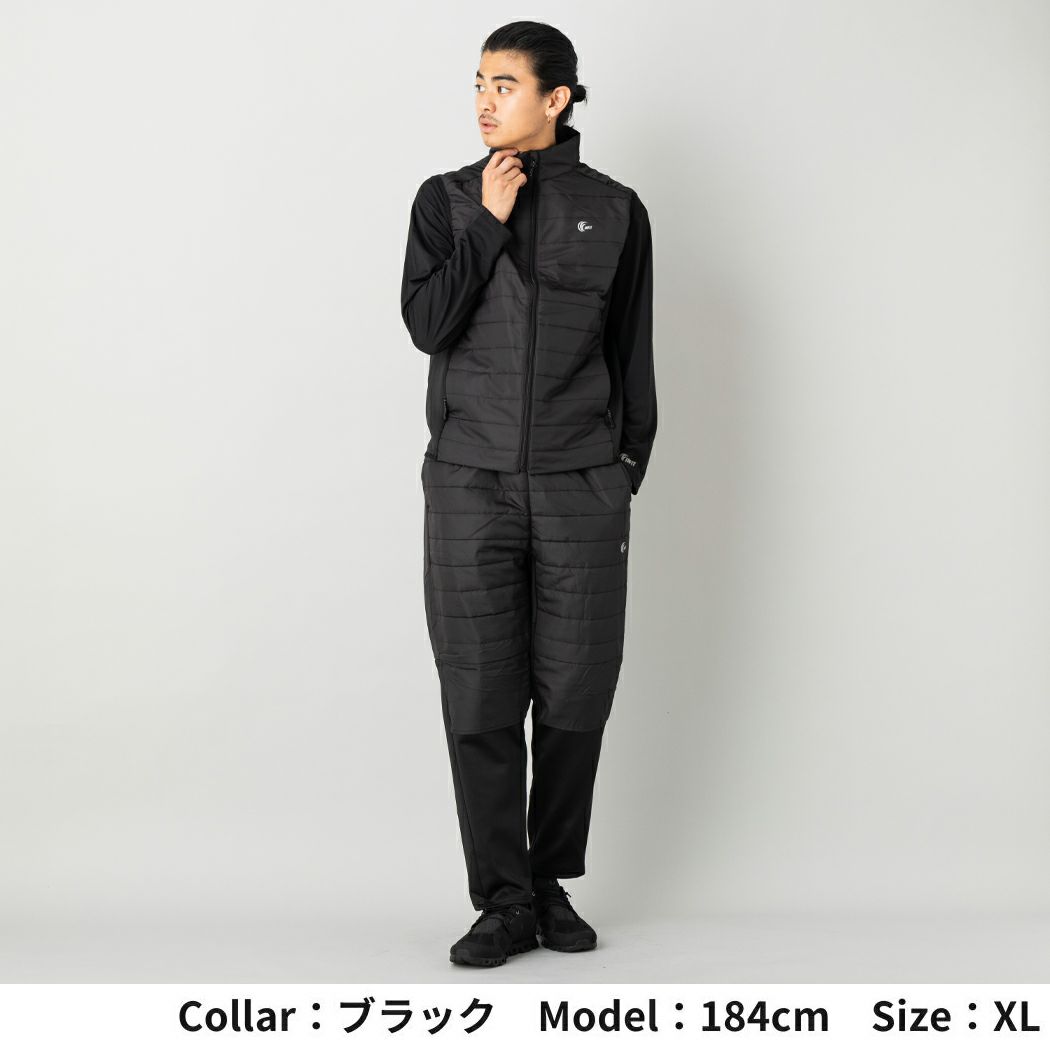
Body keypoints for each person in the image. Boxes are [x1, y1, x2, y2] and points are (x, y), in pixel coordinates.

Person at [400, 20, 657, 967]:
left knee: (576, 689)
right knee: (479, 691)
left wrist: (622, 471)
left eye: (503, 85)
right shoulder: (444, 199)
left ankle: (550, 885)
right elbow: (427, 324)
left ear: (556, 98)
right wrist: (487, 221)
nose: (484, 101)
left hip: (580, 487)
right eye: (478, 83)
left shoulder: (616, 210)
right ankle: (502, 900)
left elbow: (632, 349)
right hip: (470, 485)